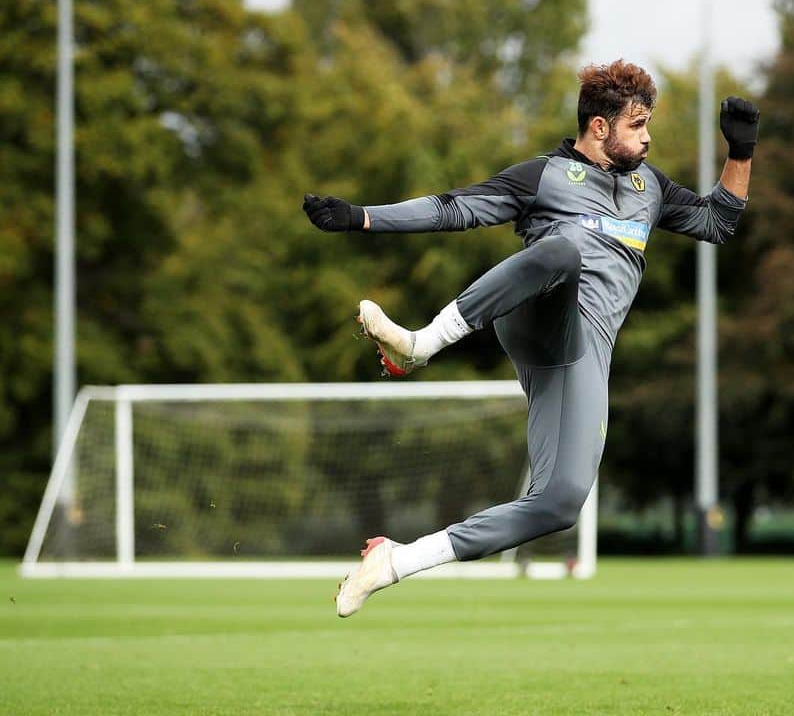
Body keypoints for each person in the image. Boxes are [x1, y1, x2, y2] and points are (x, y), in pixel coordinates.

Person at [303, 60, 759, 617]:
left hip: (583, 355)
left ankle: (394, 562)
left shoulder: (650, 187)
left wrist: (741, 153)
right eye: (638, 124)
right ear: (599, 127)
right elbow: (454, 208)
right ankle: (419, 346)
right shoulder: (543, 176)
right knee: (562, 251)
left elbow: (719, 223)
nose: (648, 136)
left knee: (559, 504)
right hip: (532, 317)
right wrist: (361, 217)